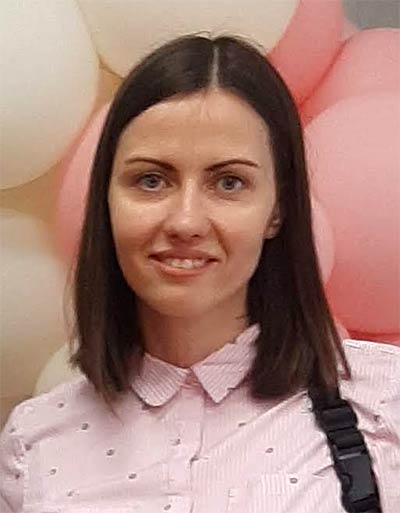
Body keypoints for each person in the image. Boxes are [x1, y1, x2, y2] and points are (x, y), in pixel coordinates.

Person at [0, 32, 399, 513]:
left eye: (229, 182)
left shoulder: (385, 403)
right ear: (106, 200)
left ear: (278, 209)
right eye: (151, 180)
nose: (186, 221)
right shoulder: (33, 445)